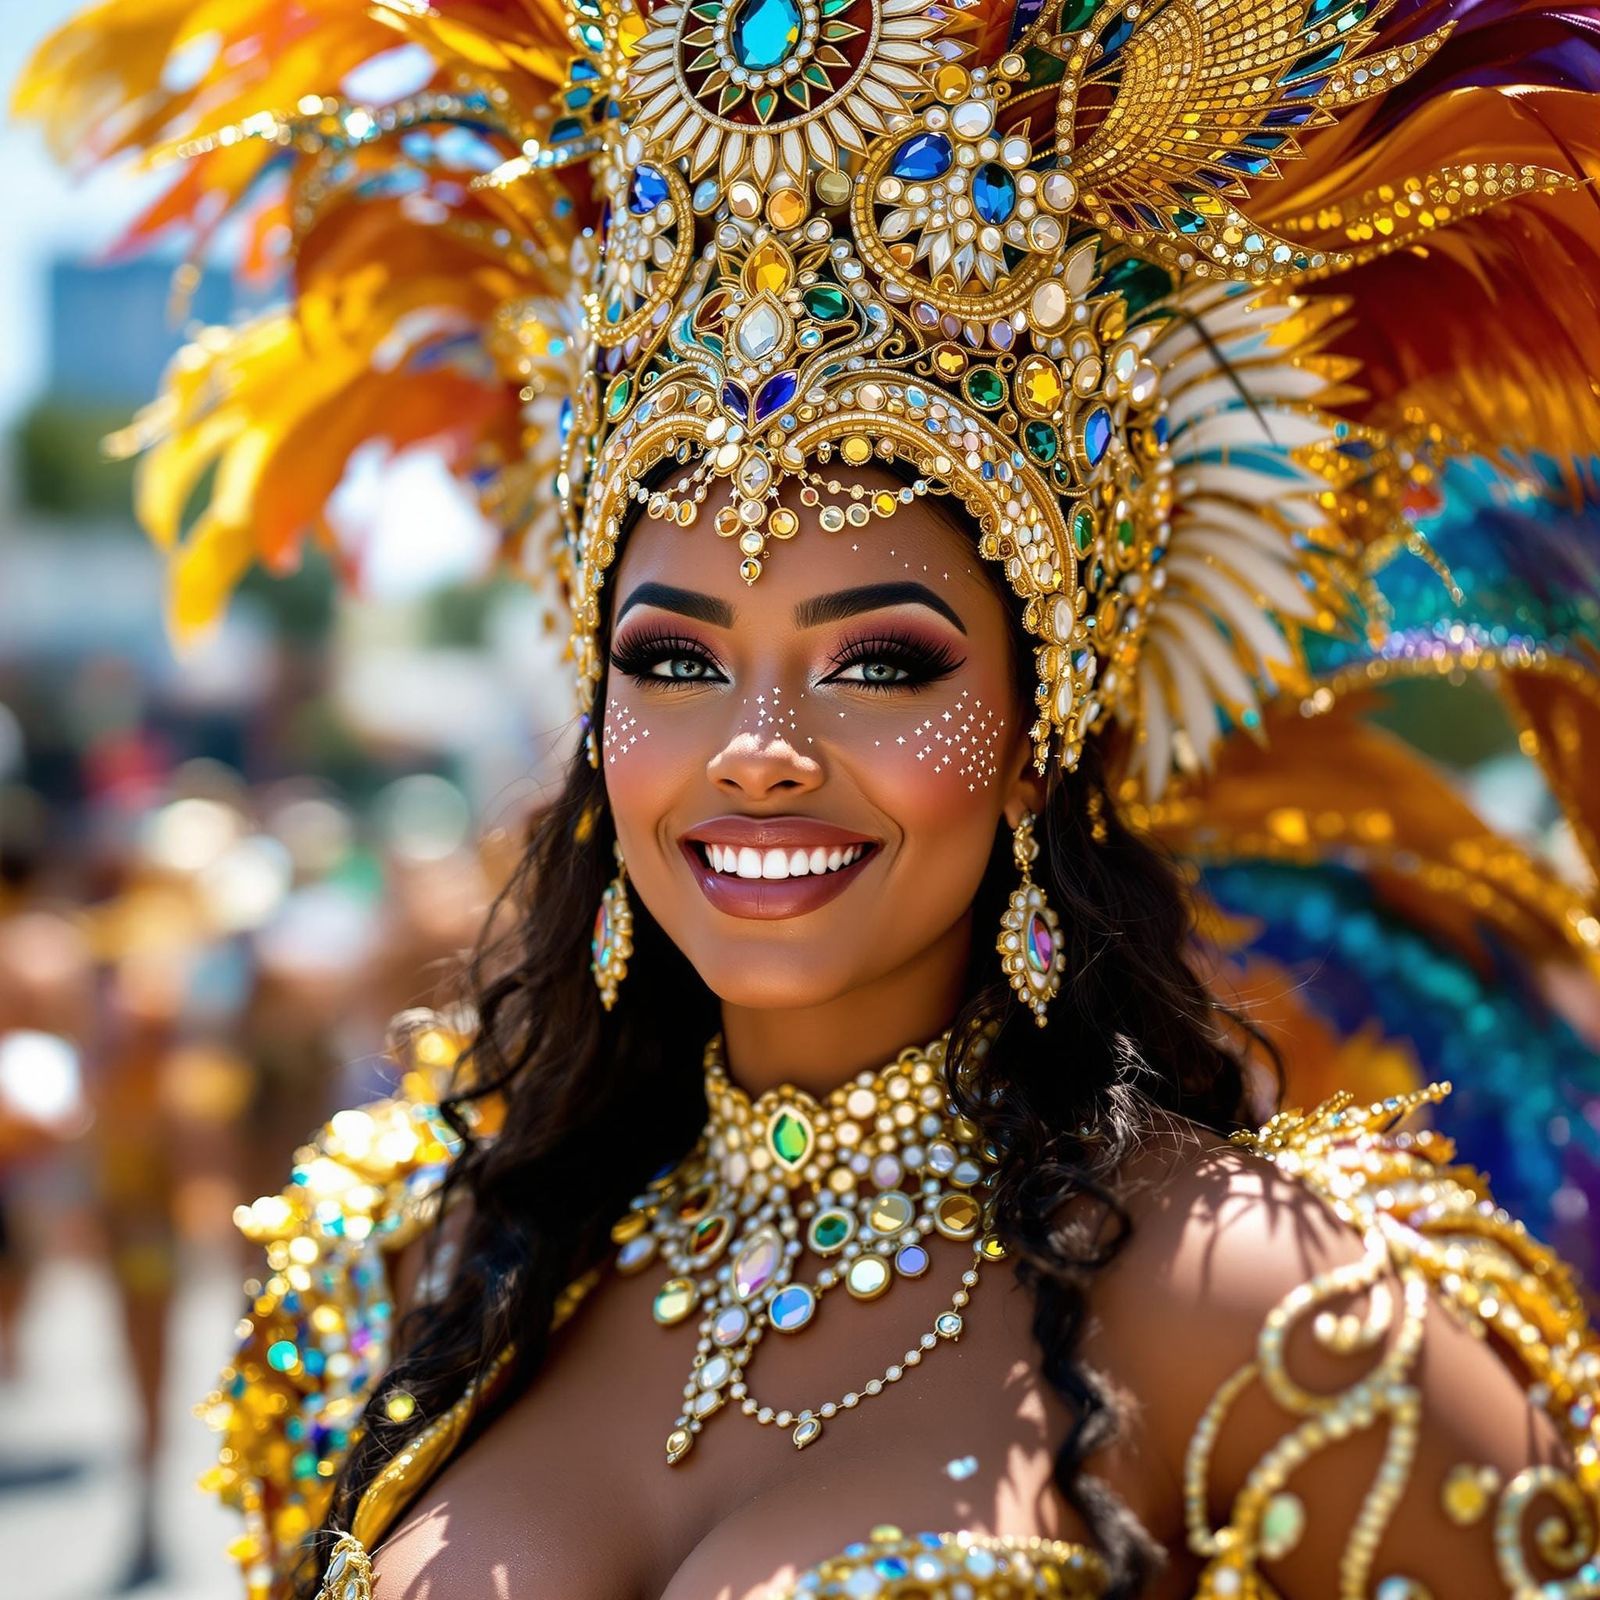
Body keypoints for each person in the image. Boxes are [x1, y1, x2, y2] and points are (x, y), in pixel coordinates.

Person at [17, 0, 1600, 1596]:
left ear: (1038, 733)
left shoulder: (1264, 1313)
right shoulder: (415, 1258)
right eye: (676, 661)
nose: (756, 746)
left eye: (884, 664)